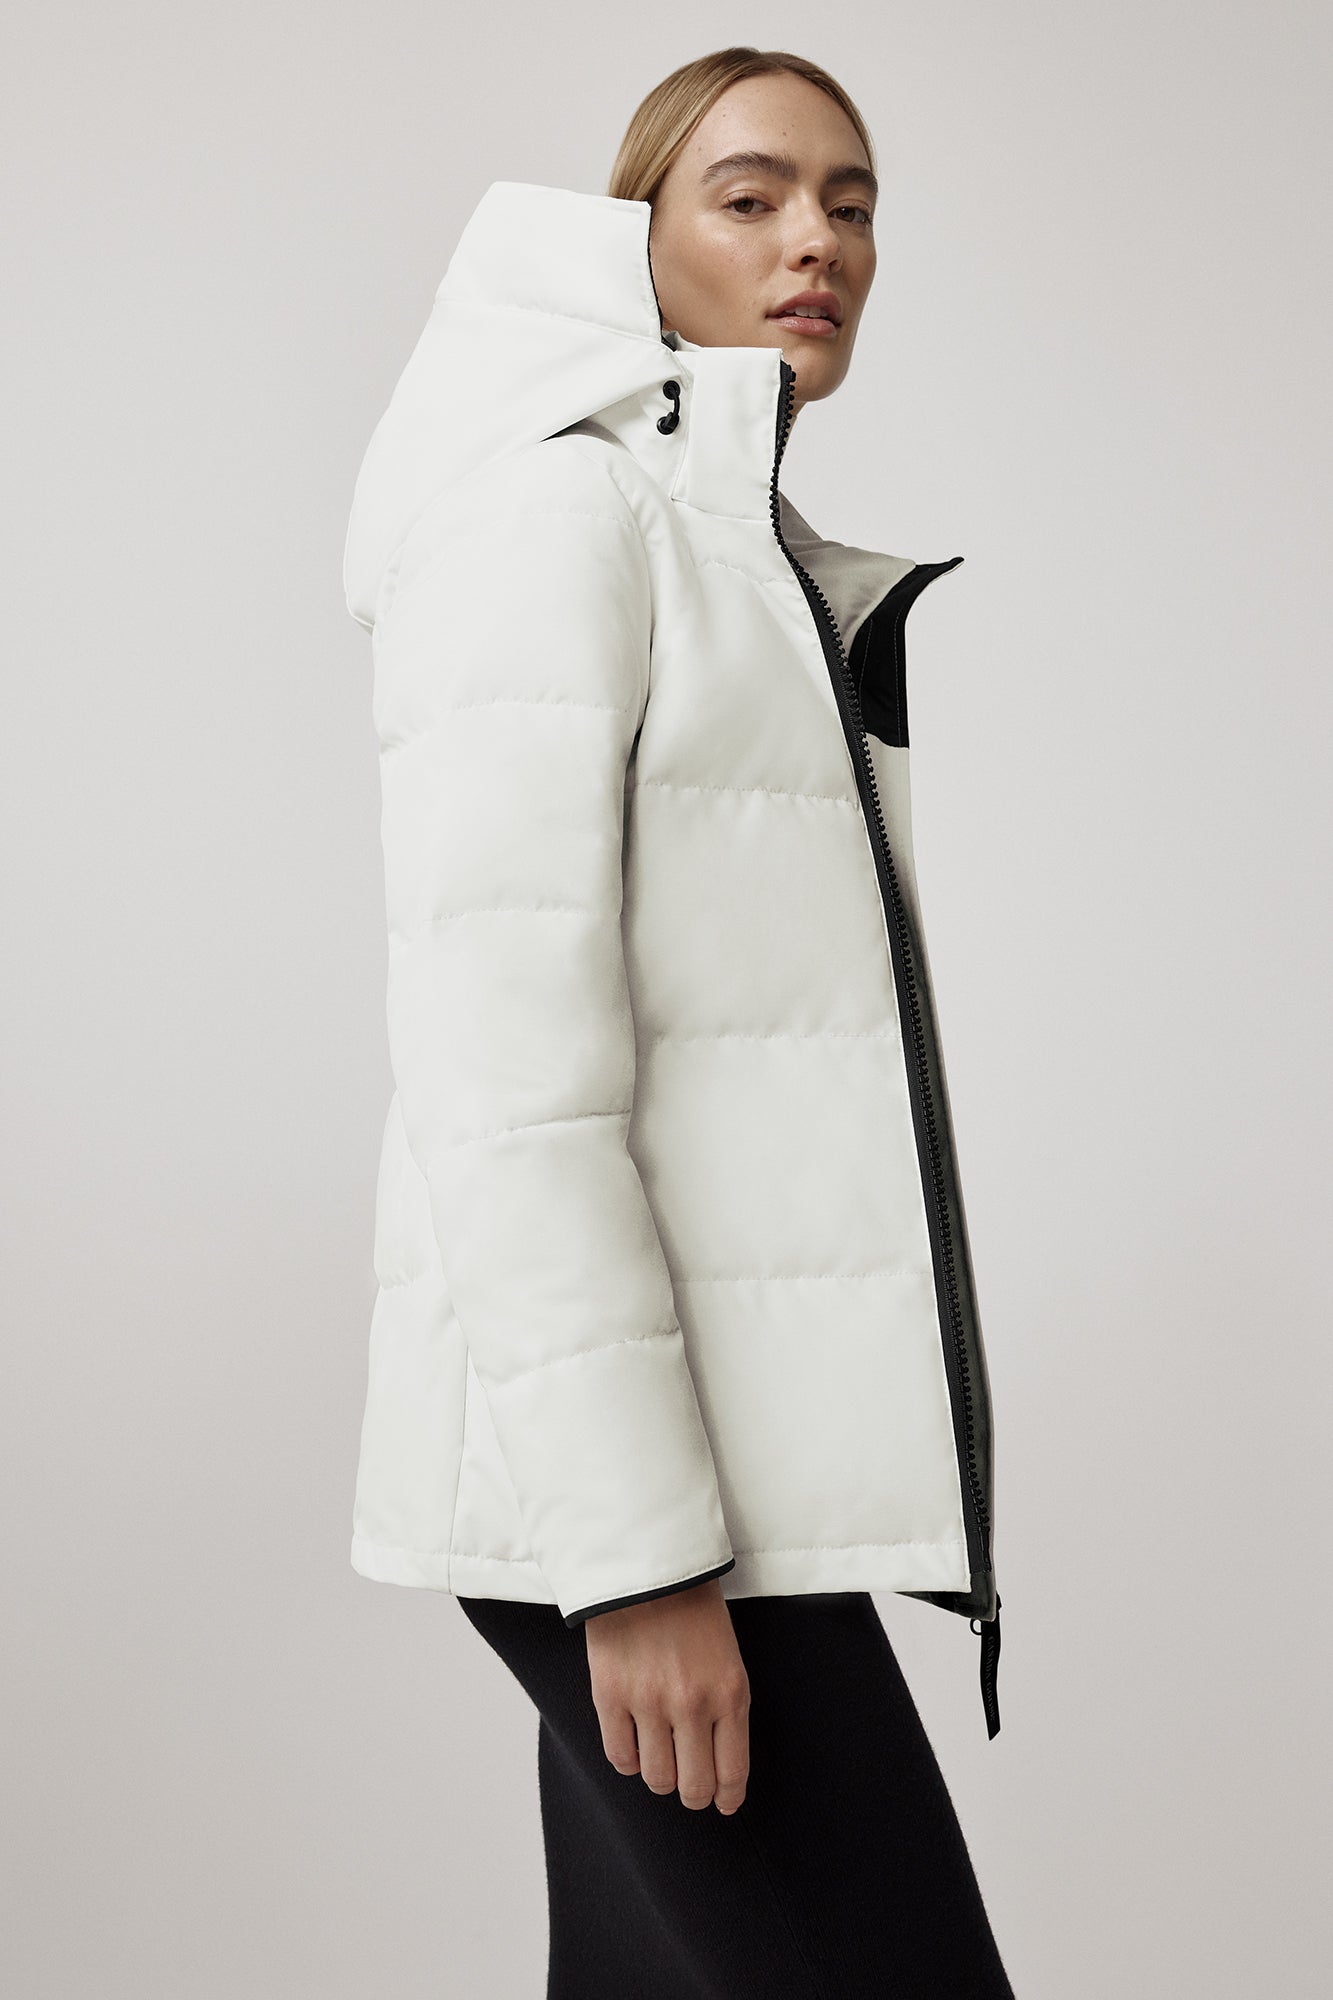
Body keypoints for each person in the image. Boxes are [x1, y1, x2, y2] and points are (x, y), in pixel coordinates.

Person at [342, 43, 1014, 1999]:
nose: (818, 240)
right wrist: (634, 1558)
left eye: (852, 202)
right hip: (634, 1504)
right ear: (626, 240)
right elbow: (505, 1079)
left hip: (708, 1475)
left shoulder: (727, 551)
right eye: (750, 195)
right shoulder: (559, 520)